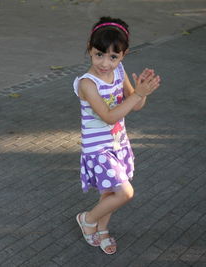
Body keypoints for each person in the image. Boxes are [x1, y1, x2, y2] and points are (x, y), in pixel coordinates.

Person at [72, 17, 161, 255]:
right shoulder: (87, 84)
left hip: (117, 143)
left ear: (123, 55)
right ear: (89, 49)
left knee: (110, 193)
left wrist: (141, 92)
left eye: (113, 57)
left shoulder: (119, 72)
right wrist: (136, 95)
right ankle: (88, 219)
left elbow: (136, 105)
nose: (105, 63)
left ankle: (102, 229)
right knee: (124, 192)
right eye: (99, 54)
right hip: (97, 149)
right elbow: (109, 116)